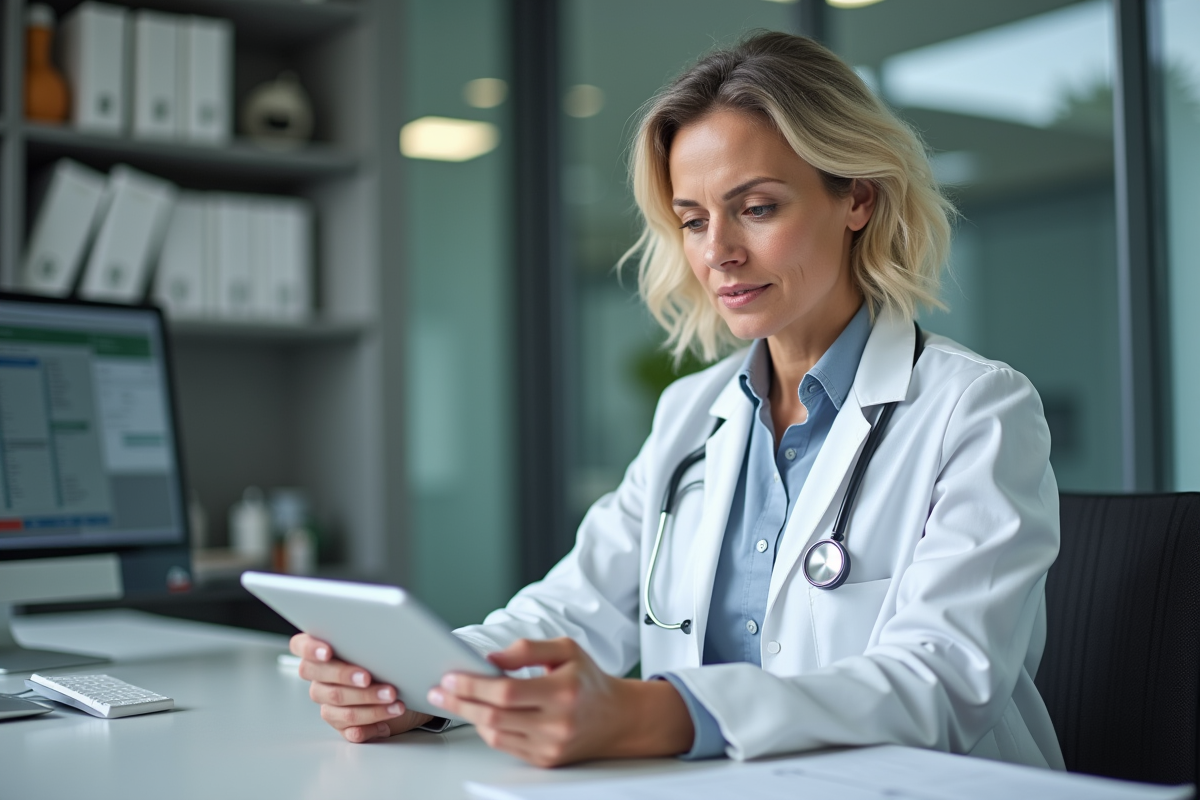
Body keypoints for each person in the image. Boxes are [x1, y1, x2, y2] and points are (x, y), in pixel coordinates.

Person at [291, 31, 1064, 770]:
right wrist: (421, 684)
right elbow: (574, 609)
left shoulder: (978, 410)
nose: (717, 251)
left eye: (757, 208)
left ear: (856, 199)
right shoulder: (693, 414)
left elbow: (944, 680)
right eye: (693, 220)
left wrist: (662, 715)